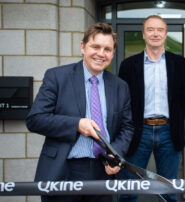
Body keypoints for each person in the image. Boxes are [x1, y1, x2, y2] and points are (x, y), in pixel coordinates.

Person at [26, 22, 134, 202]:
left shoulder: (120, 86)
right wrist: (77, 124)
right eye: (95, 47)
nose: (101, 53)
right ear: (83, 47)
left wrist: (115, 155)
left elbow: (127, 127)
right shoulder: (57, 77)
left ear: (113, 53)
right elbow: (35, 119)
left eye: (107, 49)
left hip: (103, 172)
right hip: (63, 170)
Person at [118, 15, 185, 201]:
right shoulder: (128, 65)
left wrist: (174, 123)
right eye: (150, 29)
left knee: (168, 190)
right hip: (138, 132)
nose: (155, 33)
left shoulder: (180, 63)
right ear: (143, 34)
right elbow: (122, 102)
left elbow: (184, 99)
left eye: (160, 30)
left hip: (168, 131)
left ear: (166, 34)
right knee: (129, 189)